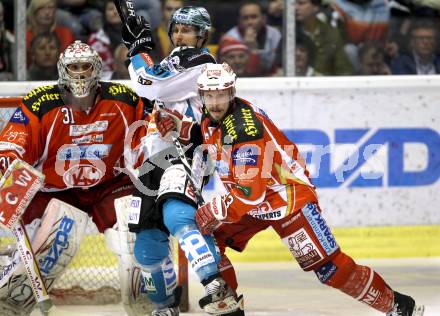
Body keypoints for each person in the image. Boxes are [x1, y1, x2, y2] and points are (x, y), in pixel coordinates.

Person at [154, 62, 426, 316]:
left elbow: (251, 194)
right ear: (201, 95)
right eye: (209, 96)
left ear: (232, 92)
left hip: (287, 198)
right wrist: (181, 127)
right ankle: (228, 306)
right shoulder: (212, 114)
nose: (214, 103)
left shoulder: (245, 130)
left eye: (221, 95)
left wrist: (215, 208)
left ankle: (399, 306)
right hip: (253, 200)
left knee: (329, 269)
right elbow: (211, 135)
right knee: (207, 236)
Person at [0, 40, 152, 315]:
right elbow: (11, 144)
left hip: (110, 185)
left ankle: (144, 303)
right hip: (55, 191)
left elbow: (147, 140)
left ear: (96, 69)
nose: (80, 73)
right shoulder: (41, 102)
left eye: (85, 66)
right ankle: (10, 303)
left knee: (132, 231)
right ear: (62, 70)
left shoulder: (123, 99)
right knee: (57, 238)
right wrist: (8, 160)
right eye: (73, 67)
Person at [121, 6, 244, 316]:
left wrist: (138, 49)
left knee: (178, 216)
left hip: (187, 151)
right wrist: (139, 49)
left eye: (187, 30)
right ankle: (164, 307)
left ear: (203, 35)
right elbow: (151, 89)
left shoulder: (201, 61)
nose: (179, 34)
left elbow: (149, 83)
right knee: (147, 244)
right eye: (176, 28)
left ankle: (216, 287)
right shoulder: (173, 61)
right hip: (155, 156)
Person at [221, 1, 282, 76]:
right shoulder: (230, 38)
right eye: (245, 18)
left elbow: (278, 63)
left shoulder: (274, 34)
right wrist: (251, 49)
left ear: (263, 18)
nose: (250, 22)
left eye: (254, 17)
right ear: (239, 21)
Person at [295, 0, 353, 75]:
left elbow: (344, 70)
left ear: (316, 7)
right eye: (294, 4)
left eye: (301, 3)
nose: (295, 8)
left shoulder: (331, 34)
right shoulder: (288, 32)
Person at [26, 0, 75, 66]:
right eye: (41, 8)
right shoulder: (23, 36)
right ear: (33, 11)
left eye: (50, 8)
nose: (47, 12)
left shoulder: (66, 34)